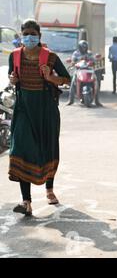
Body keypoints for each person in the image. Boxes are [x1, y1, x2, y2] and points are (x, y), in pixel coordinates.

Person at [8, 19, 71, 216]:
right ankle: (26, 201)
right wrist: (13, 79)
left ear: (39, 36)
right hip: (23, 109)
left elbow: (67, 80)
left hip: (46, 111)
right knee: (20, 149)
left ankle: (49, 189)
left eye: (32, 34)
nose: (29, 38)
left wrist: (51, 78)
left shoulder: (50, 57)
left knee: (47, 148)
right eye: (25, 34)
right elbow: (13, 78)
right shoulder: (15, 56)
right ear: (21, 36)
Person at [67, 40, 101, 106]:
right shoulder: (76, 53)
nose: (84, 49)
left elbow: (93, 60)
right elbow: (73, 61)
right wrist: (74, 62)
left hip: (89, 70)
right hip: (79, 70)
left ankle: (97, 101)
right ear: (79, 47)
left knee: (96, 81)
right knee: (73, 82)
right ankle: (70, 100)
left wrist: (93, 61)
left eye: (85, 47)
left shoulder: (89, 53)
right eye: (82, 47)